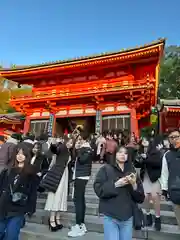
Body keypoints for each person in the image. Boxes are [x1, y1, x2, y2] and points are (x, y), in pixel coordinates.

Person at [94, 146, 145, 240]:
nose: (123, 155)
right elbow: (99, 190)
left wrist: (134, 185)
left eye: (125, 153)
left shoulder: (132, 171)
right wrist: (116, 184)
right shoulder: (105, 169)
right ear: (115, 154)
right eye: (120, 152)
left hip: (127, 216)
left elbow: (141, 198)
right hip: (110, 215)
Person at [0, 142, 37, 240]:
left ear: (26, 155)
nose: (20, 156)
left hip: (18, 208)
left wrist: (30, 209)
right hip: (3, 206)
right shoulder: (7, 171)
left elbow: (33, 192)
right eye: (18, 153)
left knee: (11, 235)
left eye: (22, 153)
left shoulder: (31, 173)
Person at [40, 138, 72, 232]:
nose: (70, 144)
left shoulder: (69, 151)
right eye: (69, 142)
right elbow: (55, 150)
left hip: (64, 174)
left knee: (62, 196)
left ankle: (57, 218)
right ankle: (52, 219)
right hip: (58, 174)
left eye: (71, 143)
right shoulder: (62, 148)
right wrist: (53, 145)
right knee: (55, 195)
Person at [135, 137, 163, 231]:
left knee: (155, 197)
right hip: (145, 178)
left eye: (146, 141)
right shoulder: (141, 151)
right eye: (143, 141)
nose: (144, 143)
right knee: (146, 198)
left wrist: (146, 159)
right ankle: (148, 216)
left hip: (154, 178)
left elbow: (158, 163)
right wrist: (139, 160)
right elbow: (137, 165)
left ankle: (157, 218)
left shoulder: (156, 152)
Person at [68, 132, 93, 237]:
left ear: (84, 140)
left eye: (79, 140)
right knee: (80, 200)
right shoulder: (83, 149)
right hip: (79, 175)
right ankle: (81, 224)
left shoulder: (87, 149)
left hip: (82, 177)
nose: (78, 141)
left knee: (78, 201)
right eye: (77, 140)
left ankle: (79, 226)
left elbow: (82, 160)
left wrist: (78, 149)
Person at [161, 129, 180, 228]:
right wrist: (164, 190)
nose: (175, 139)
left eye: (177, 136)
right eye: (172, 137)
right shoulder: (167, 155)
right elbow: (164, 174)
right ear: (169, 140)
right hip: (175, 191)